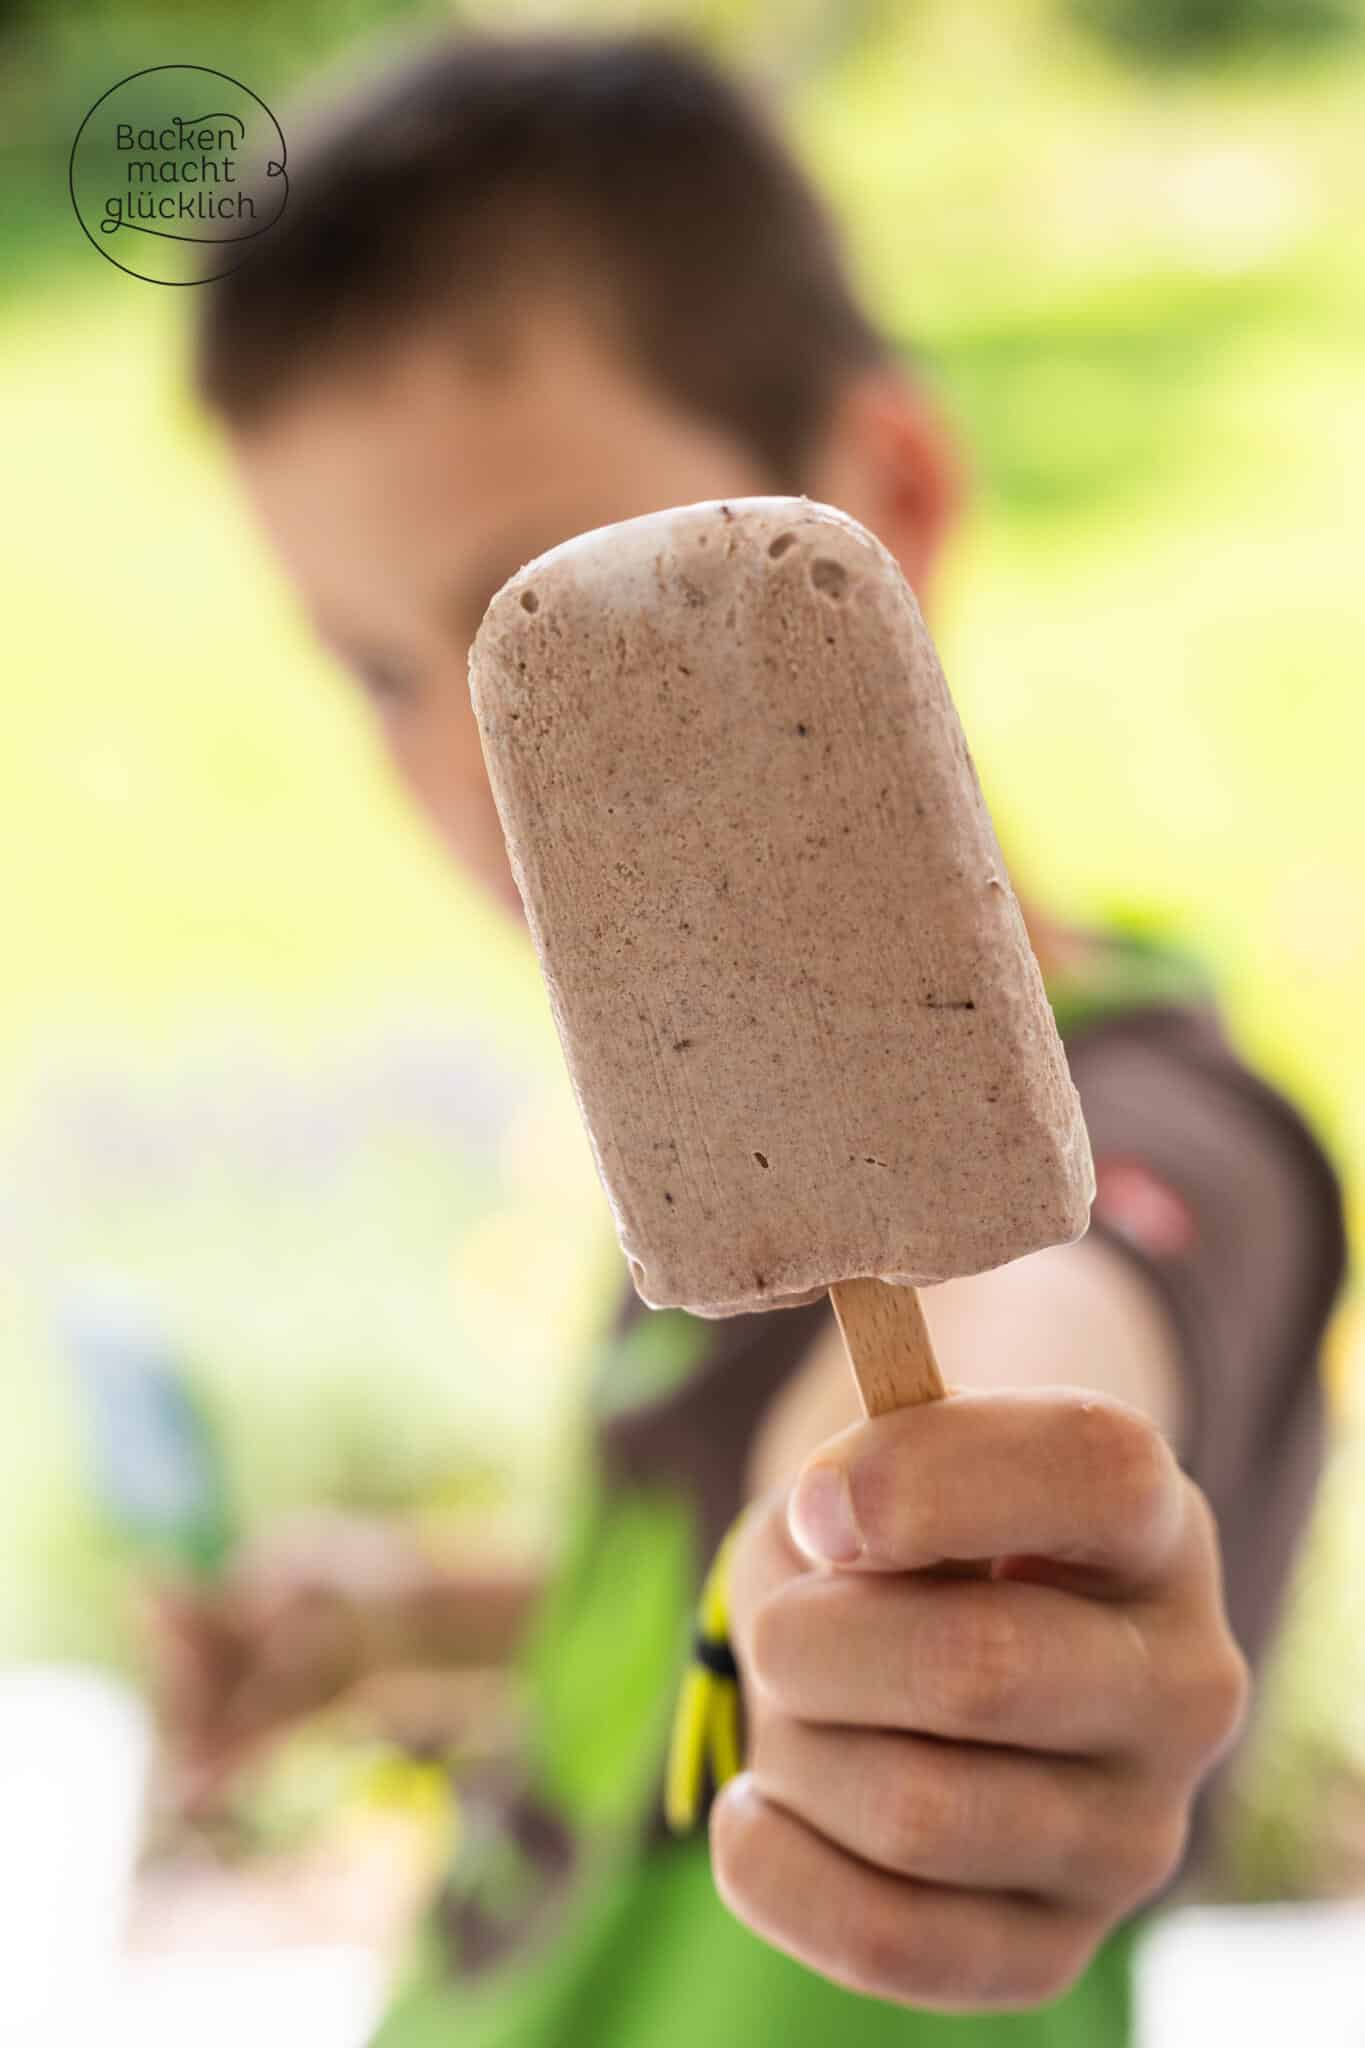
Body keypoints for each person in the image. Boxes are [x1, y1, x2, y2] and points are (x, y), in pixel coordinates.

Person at [177, 31, 1347, 2045]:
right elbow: (716, 1620)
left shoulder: (1175, 1131)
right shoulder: (719, 1157)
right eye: (377, 665)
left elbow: (1034, 1335)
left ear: (883, 492)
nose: (469, 765)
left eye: (535, 618)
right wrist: (407, 1612)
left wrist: (1010, 1590)